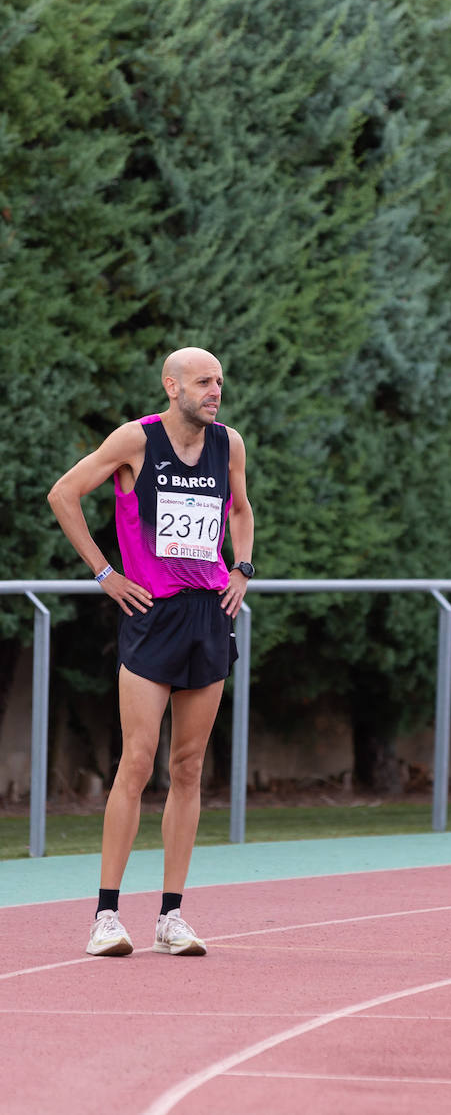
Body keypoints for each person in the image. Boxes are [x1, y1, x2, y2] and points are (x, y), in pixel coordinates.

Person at [48, 347, 254, 958]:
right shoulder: (135, 441)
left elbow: (241, 510)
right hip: (150, 613)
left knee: (189, 766)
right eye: (202, 382)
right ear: (172, 386)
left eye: (219, 381)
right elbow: (65, 494)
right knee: (137, 762)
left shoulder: (228, 444)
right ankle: (106, 915)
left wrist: (242, 568)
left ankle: (171, 916)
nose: (215, 391)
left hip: (210, 613)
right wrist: (105, 573)